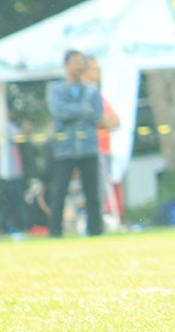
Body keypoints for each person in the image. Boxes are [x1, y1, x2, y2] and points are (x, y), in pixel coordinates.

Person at [46, 49, 103, 237]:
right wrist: (82, 110)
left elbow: (96, 113)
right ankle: (55, 231)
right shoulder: (55, 89)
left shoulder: (92, 89)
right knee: (59, 190)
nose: (79, 65)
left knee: (92, 192)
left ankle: (95, 230)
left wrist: (72, 112)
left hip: (88, 146)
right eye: (75, 61)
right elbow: (57, 111)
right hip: (65, 148)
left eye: (82, 61)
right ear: (66, 65)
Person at [84, 56, 122, 225]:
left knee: (102, 189)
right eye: (94, 69)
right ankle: (93, 223)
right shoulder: (84, 94)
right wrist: (100, 120)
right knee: (94, 189)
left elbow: (115, 121)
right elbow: (89, 117)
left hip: (105, 148)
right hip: (92, 149)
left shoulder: (99, 96)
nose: (98, 72)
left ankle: (98, 222)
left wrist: (100, 120)